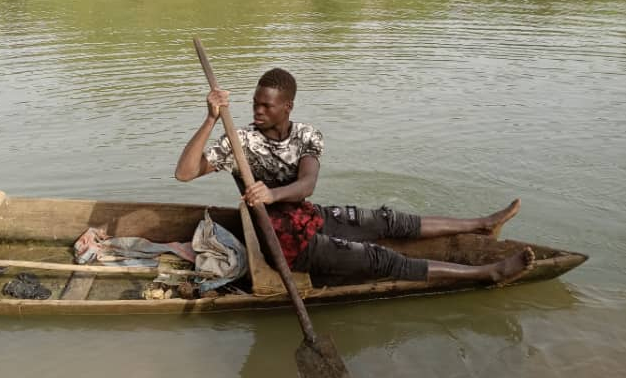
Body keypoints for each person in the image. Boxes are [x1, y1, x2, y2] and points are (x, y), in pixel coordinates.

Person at [175, 67, 534, 287]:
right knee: (383, 260)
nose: (258, 111)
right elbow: (184, 173)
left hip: (310, 218)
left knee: (387, 219)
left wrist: (272, 194)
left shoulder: (307, 135)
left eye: (266, 105)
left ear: (288, 107)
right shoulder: (242, 143)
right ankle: (490, 273)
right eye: (255, 103)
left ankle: (481, 225)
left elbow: (307, 185)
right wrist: (210, 119)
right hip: (287, 245)